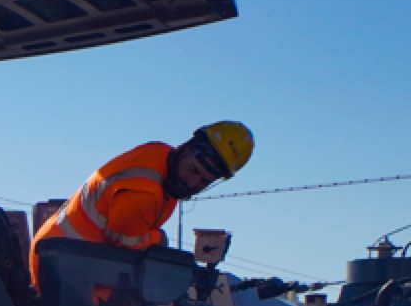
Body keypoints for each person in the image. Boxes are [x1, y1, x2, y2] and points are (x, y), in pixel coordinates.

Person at [28, 121, 254, 284]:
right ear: (186, 146)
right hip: (63, 272)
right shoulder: (144, 192)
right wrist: (160, 240)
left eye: (203, 180)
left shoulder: (161, 156)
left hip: (69, 259)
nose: (191, 182)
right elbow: (128, 246)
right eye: (193, 170)